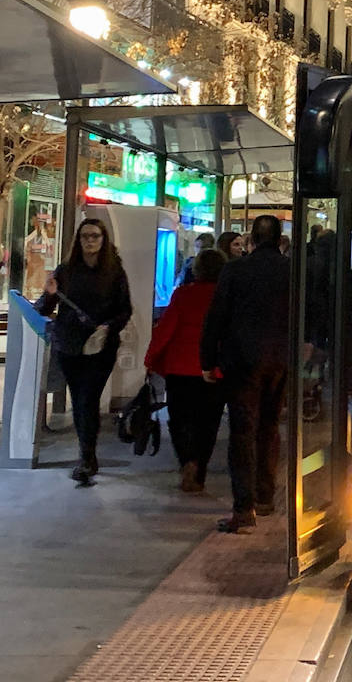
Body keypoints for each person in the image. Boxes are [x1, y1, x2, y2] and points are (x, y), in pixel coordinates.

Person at [200, 215, 291, 534]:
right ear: (280, 239)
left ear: (253, 238)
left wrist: (207, 360)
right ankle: (266, 497)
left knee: (242, 431)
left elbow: (217, 317)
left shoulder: (235, 269)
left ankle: (244, 507)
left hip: (241, 361)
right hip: (280, 360)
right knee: (270, 427)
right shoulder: (292, 271)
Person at [35, 218, 132, 484]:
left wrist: (107, 326)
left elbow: (125, 309)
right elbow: (43, 308)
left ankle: (87, 457)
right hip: (70, 345)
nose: (90, 241)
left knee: (88, 399)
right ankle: (87, 455)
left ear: (104, 240)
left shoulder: (114, 272)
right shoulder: (67, 270)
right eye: (85, 236)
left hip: (101, 346)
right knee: (79, 400)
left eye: (95, 236)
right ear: (78, 240)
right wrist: (48, 292)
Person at [146, 248, 226, 492]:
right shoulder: (225, 297)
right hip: (214, 368)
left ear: (196, 270)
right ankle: (199, 469)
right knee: (209, 422)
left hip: (180, 367)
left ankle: (187, 460)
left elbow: (166, 329)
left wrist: (151, 360)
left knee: (180, 419)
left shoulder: (182, 295)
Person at [24, 215, 53, 297]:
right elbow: (25, 244)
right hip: (32, 265)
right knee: (31, 283)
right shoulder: (32, 237)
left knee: (40, 282)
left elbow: (50, 250)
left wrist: (45, 236)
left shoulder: (47, 236)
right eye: (37, 224)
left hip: (41, 265)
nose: (39, 226)